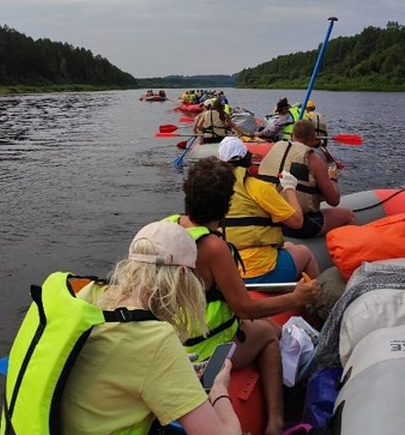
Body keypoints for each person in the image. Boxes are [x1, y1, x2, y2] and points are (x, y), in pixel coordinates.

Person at [172, 157, 320, 435]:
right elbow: (244, 309)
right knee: (268, 334)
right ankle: (275, 422)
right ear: (226, 204)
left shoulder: (166, 228)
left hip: (171, 341)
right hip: (202, 349)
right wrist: (296, 298)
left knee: (265, 328)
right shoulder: (214, 247)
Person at [56, 220, 242, 435]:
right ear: (182, 274)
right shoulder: (154, 338)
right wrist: (219, 389)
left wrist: (180, 370)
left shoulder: (88, 294)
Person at [216, 137, 319, 282]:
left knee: (288, 245)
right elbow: (297, 222)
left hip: (226, 267)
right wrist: (289, 187)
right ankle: (315, 301)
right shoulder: (258, 187)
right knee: (305, 252)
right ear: (246, 158)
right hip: (258, 269)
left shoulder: (213, 188)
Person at [257, 119, 355, 238]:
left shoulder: (275, 148)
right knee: (349, 215)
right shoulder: (313, 159)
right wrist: (333, 179)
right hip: (295, 225)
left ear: (292, 135)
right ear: (313, 139)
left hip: (266, 216)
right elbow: (334, 201)